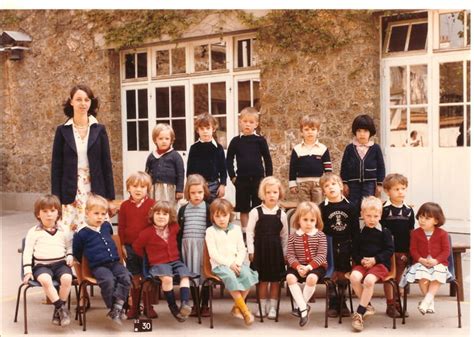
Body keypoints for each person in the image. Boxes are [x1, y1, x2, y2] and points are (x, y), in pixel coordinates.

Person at [51, 84, 115, 234]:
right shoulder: (62, 130)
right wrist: (56, 199)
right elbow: (56, 167)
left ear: (91, 102)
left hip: (95, 188)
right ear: (71, 102)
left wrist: (110, 198)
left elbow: (107, 165)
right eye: (78, 99)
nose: (83, 103)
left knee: (98, 229)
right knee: (69, 232)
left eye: (87, 99)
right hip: (70, 190)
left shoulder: (99, 129)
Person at [73, 194, 131, 325]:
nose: (100, 217)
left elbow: (109, 239)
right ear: (87, 213)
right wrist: (82, 264)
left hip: (114, 263)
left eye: (103, 214)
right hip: (99, 266)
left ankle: (118, 306)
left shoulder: (106, 226)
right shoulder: (81, 233)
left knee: (126, 277)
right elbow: (77, 251)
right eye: (96, 213)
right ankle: (113, 307)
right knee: (108, 281)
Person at [133, 201, 194, 322]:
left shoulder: (174, 228)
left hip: (175, 261)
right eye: (158, 213)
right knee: (167, 278)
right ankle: (173, 308)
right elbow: (136, 247)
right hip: (158, 263)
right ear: (152, 216)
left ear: (170, 217)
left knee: (185, 276)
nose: (161, 216)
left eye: (165, 214)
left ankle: (184, 304)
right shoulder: (146, 233)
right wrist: (148, 257)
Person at [205, 198, 259, 325]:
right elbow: (213, 254)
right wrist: (229, 264)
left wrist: (238, 263)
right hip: (220, 265)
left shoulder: (236, 228)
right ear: (212, 217)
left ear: (230, 215)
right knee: (231, 277)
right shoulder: (210, 231)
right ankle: (245, 311)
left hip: (237, 262)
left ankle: (236, 308)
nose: (221, 219)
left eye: (224, 215)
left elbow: (241, 249)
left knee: (248, 275)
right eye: (217, 216)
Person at [22, 194, 73, 326]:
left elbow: (69, 247)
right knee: (45, 280)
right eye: (44, 211)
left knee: (67, 279)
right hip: (42, 266)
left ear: (58, 213)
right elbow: (27, 252)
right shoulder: (33, 232)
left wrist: (70, 255)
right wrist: (27, 271)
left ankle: (58, 310)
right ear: (38, 214)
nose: (49, 214)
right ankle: (61, 309)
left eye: (52, 211)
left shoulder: (64, 230)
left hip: (61, 264)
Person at [349, 196, 394, 332]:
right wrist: (361, 259)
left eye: (375, 216)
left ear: (380, 215)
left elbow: (389, 250)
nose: (372, 219)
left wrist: (375, 259)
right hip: (363, 263)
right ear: (362, 215)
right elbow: (354, 251)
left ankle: (359, 314)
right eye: (368, 216)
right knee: (354, 277)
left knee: (368, 281)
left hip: (380, 264)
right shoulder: (359, 233)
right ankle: (367, 305)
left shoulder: (385, 232)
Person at [246, 176, 288, 320]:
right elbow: (250, 233)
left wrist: (285, 253)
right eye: (268, 192)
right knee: (262, 280)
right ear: (263, 194)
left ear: (279, 194)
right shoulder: (255, 212)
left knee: (275, 280)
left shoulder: (281, 214)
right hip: (261, 250)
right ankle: (261, 306)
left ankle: (273, 308)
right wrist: (251, 251)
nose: (271, 195)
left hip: (276, 251)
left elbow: (285, 236)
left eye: (275, 192)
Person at [319, 172, 359, 318]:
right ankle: (333, 301)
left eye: (334, 184)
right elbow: (319, 230)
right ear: (323, 191)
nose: (331, 188)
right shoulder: (322, 208)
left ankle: (342, 302)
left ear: (341, 186)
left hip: (345, 244)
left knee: (343, 272)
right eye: (326, 186)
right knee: (331, 272)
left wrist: (355, 249)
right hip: (328, 244)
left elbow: (355, 231)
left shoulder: (351, 207)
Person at [226, 107, 273, 230]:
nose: (248, 124)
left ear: (256, 124)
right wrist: (232, 177)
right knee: (244, 208)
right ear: (240, 121)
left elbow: (267, 160)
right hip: (241, 180)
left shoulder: (260, 140)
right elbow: (229, 159)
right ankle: (245, 232)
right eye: (245, 121)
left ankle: (257, 231)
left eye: (251, 122)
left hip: (258, 179)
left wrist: (267, 179)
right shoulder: (235, 141)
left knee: (258, 207)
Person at [118, 171, 156, 319]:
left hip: (147, 249)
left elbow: (155, 226)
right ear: (128, 188)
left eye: (142, 186)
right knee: (135, 276)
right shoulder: (125, 206)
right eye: (134, 186)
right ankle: (134, 307)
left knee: (147, 276)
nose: (138, 189)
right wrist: (122, 246)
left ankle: (148, 306)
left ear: (148, 189)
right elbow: (121, 228)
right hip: (130, 247)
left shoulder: (152, 205)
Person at [401, 202, 451, 315]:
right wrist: (420, 260)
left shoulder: (442, 234)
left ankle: (426, 301)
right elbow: (413, 250)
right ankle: (430, 303)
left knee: (437, 276)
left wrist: (436, 261)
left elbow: (446, 251)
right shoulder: (415, 233)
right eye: (421, 216)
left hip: (438, 263)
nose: (422, 220)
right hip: (421, 263)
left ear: (436, 221)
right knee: (423, 276)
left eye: (427, 218)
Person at [286, 201, 327, 327]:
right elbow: (290, 256)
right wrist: (298, 267)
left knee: (311, 278)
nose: (308, 223)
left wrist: (309, 267)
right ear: (299, 220)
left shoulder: (320, 235)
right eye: (305, 219)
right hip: (298, 266)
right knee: (290, 278)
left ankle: (301, 307)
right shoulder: (293, 236)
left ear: (317, 221)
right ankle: (304, 308)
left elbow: (321, 256)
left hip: (316, 267)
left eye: (312, 220)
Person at [177, 174, 212, 317]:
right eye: (193, 193)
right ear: (187, 193)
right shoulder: (183, 209)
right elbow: (179, 230)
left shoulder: (208, 208)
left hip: (203, 247)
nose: (197, 196)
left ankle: (205, 305)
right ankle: (195, 305)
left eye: (200, 192)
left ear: (204, 191)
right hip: (188, 247)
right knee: (191, 276)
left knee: (204, 276)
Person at [380, 173, 415, 318]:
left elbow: (411, 232)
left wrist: (410, 251)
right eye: (396, 189)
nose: (401, 192)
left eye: (403, 188)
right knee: (389, 277)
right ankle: (390, 305)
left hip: (402, 251)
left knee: (400, 278)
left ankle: (398, 302)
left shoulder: (409, 211)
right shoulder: (384, 209)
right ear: (387, 192)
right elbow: (379, 230)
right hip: (387, 251)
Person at [340, 114, 385, 214]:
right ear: (355, 132)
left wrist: (379, 184)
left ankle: (367, 226)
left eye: (365, 131)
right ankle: (355, 227)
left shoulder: (375, 148)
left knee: (368, 206)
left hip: (370, 183)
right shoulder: (350, 148)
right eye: (359, 131)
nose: (362, 134)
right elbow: (344, 166)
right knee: (353, 205)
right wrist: (345, 183)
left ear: (370, 132)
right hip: (353, 183)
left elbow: (381, 166)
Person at [289, 114, 332, 204]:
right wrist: (292, 184)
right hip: (302, 184)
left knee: (318, 207)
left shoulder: (323, 149)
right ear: (301, 132)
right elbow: (292, 168)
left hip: (318, 184)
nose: (310, 132)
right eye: (306, 129)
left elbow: (328, 169)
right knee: (304, 207)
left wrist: (328, 184)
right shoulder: (297, 149)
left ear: (318, 131)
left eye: (313, 129)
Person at [186, 113, 227, 203]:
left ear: (213, 129)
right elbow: (190, 170)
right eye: (202, 129)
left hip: (214, 185)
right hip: (197, 186)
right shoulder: (194, 148)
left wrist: (223, 185)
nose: (205, 131)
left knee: (212, 211)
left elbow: (223, 169)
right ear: (197, 130)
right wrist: (189, 186)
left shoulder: (218, 148)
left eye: (208, 128)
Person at [145, 123, 184, 205]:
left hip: (170, 189)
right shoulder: (152, 156)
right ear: (155, 140)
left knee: (169, 208)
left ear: (171, 140)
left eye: (167, 138)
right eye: (160, 138)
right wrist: (145, 188)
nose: (164, 141)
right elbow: (146, 174)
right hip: (154, 189)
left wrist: (179, 190)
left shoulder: (175, 156)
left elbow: (181, 173)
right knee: (155, 207)